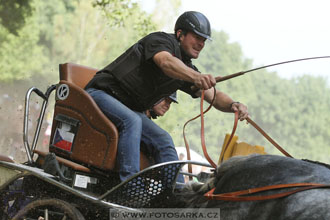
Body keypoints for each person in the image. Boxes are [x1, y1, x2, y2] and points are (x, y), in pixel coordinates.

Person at [85, 11, 249, 183]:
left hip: (130, 110)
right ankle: (130, 186)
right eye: (197, 37)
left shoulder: (186, 69)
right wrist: (195, 77)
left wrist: (233, 105)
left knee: (163, 139)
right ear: (180, 34)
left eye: (204, 40)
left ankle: (178, 195)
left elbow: (214, 97)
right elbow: (166, 62)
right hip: (100, 95)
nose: (201, 44)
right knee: (132, 120)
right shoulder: (160, 41)